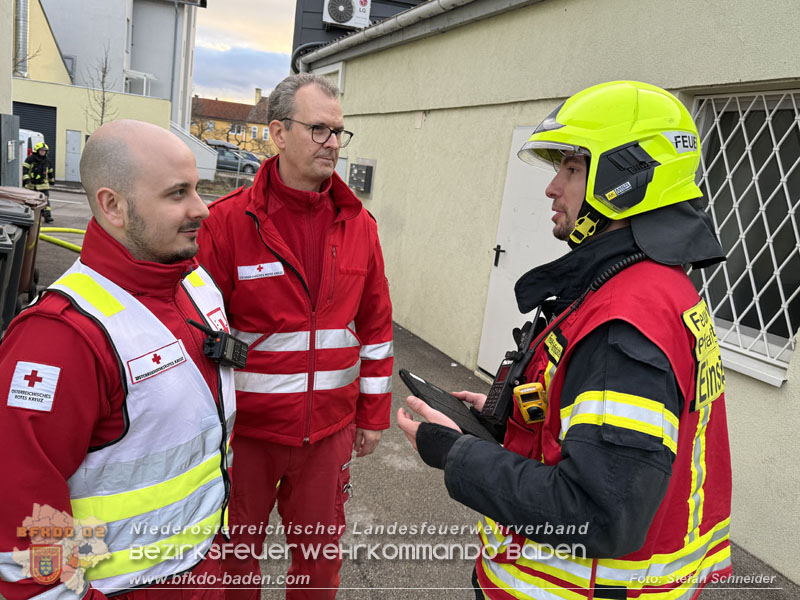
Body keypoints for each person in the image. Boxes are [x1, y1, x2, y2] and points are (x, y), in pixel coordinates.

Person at [398, 81, 732, 600]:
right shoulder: (652, 288)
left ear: (626, 178)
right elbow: (598, 430)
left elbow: (598, 514)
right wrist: (503, 416)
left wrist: (458, 453)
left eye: (572, 168)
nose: (553, 187)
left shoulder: (625, 318)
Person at [0, 120, 236, 599]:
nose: (202, 209)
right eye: (177, 194)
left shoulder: (193, 284)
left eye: (197, 188)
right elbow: (24, 534)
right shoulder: (60, 340)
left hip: (203, 573)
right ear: (112, 206)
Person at [197, 73, 393, 599]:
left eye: (338, 132)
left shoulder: (359, 225)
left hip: (327, 435)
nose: (333, 143)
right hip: (247, 436)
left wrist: (372, 415)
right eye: (320, 130)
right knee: (233, 567)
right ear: (278, 133)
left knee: (319, 570)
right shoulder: (228, 223)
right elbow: (197, 329)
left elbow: (375, 328)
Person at [22, 141, 56, 222]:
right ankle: (29, 215)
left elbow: (50, 172)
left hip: (43, 185)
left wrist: (52, 181)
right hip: (31, 185)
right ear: (37, 150)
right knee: (30, 201)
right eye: (41, 151)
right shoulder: (30, 159)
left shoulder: (48, 161)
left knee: (45, 201)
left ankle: (47, 216)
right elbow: (25, 170)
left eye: (44, 151)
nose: (43, 152)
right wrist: (26, 180)